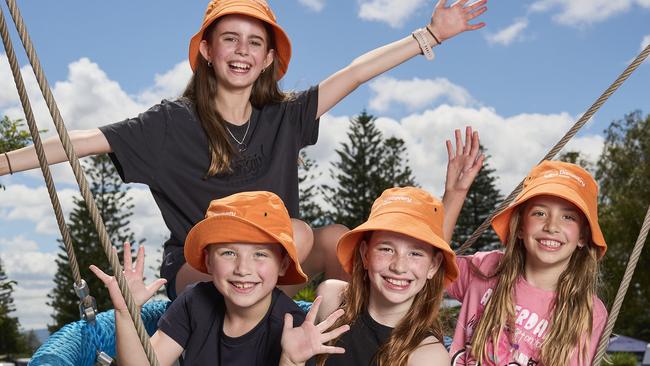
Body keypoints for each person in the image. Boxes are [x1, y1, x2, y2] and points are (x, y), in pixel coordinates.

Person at [1, 0, 488, 299]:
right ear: (208, 51)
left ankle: (357, 339)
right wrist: (3, 163)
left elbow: (355, 73)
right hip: (201, 273)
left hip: (280, 265)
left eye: (255, 42)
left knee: (336, 238)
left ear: (269, 58)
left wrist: (429, 35)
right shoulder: (169, 123)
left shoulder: (284, 116)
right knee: (292, 234)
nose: (242, 50)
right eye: (229, 39)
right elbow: (78, 143)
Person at [90, 191, 349, 365]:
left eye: (260, 254)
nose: (243, 268)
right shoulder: (195, 302)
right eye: (228, 253)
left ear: (282, 264)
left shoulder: (296, 328)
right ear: (209, 261)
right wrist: (126, 312)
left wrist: (291, 361)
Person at [311, 127, 484, 366]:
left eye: (414, 253)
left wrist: (456, 194)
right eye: (386, 249)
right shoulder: (329, 298)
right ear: (365, 254)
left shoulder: (428, 357)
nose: (399, 266)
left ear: (433, 267)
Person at [445, 160, 608, 366]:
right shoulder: (487, 269)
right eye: (539, 213)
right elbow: (429, 266)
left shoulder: (589, 311)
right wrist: (455, 193)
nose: (551, 226)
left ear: (583, 236)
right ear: (520, 227)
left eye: (568, 217)